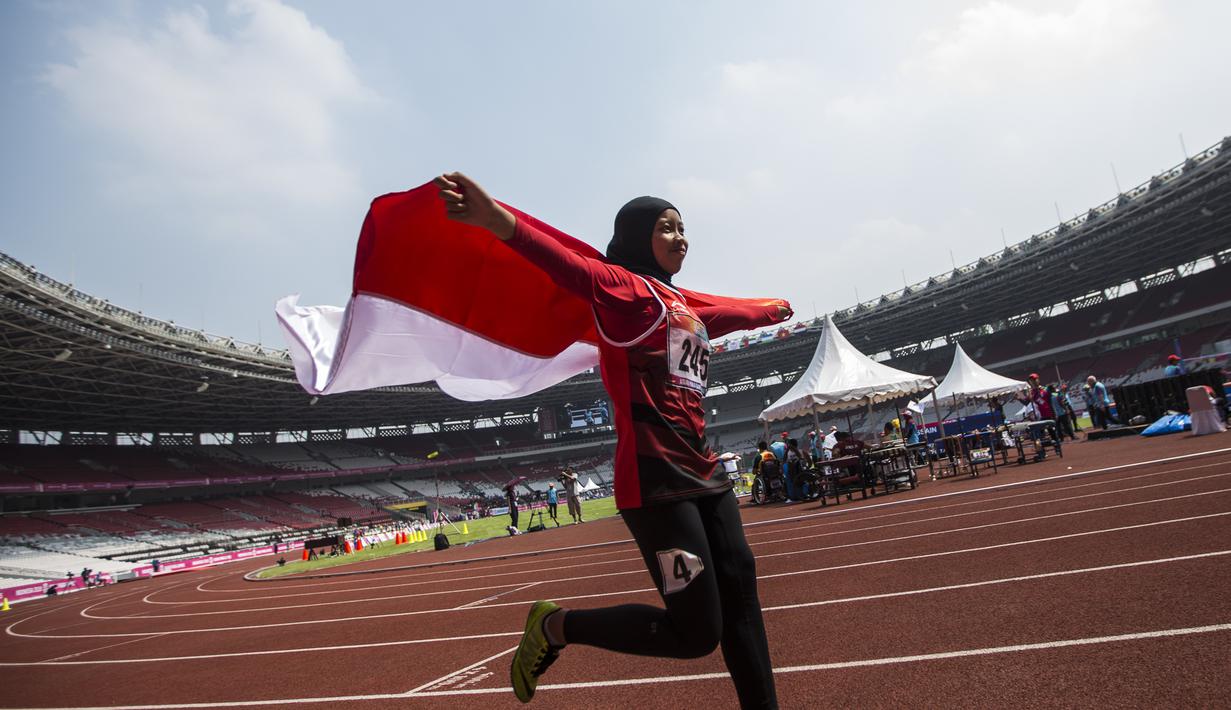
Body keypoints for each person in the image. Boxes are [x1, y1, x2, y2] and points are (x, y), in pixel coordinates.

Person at [435, 173, 789, 708]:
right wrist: (496, 221)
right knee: (697, 635)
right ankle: (556, 627)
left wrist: (772, 309)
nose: (681, 238)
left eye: (683, 229)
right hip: (655, 481)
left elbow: (722, 313)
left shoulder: (678, 303)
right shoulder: (620, 289)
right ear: (637, 235)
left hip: (705, 471)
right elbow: (562, 263)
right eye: (666, 229)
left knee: (743, 597)